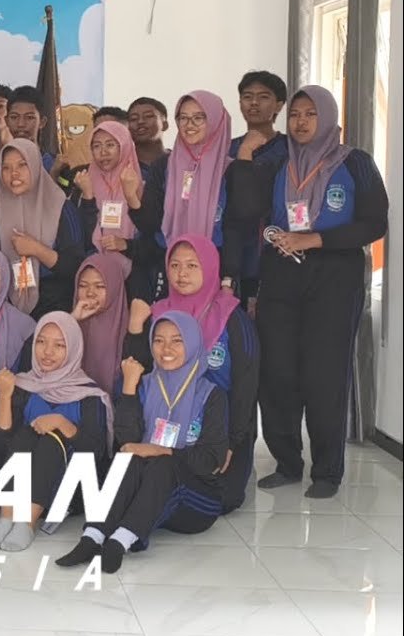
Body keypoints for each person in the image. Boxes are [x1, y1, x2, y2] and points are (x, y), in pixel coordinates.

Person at [247, 85, 388, 498]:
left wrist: (315, 239)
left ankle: (327, 471)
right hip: (281, 274)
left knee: (324, 375)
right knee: (278, 372)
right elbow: (252, 212)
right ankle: (287, 463)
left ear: (326, 118)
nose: (301, 121)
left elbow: (374, 223)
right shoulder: (278, 162)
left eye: (310, 114)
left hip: (334, 278)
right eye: (295, 114)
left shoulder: (355, 163)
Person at [57, 312, 228, 573]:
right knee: (131, 458)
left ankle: (119, 542)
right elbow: (127, 441)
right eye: (158, 341)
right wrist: (128, 387)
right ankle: (92, 536)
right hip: (148, 493)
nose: (166, 349)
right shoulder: (145, 384)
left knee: (163, 463)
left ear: (193, 343)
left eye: (177, 341)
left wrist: (160, 450)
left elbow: (211, 461)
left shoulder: (211, 395)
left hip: (196, 500)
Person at [125, 235, 258, 513]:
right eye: (174, 265)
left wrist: (232, 442)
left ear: (209, 267)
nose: (181, 274)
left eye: (192, 265)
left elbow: (246, 382)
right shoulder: (158, 313)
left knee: (224, 498)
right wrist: (136, 329)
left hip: (220, 427)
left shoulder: (231, 316)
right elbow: (139, 370)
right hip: (164, 419)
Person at [0, 312, 111, 552]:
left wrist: (63, 424)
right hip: (18, 483)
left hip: (65, 489)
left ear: (73, 349)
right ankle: (6, 518)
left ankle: (27, 523)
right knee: (26, 434)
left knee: (52, 441)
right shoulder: (23, 384)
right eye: (41, 342)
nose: (48, 352)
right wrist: (5, 397)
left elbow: (96, 451)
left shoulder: (89, 394)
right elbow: (0, 445)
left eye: (59, 345)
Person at [126, 91, 241, 297]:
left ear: (215, 120)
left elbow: (235, 229)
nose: (189, 124)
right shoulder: (164, 166)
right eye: (183, 118)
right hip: (168, 263)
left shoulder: (231, 170)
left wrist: (228, 278)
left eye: (199, 118)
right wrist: (132, 197)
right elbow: (151, 224)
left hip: (214, 266)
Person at [0, 138, 85, 318]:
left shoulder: (60, 206)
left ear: (35, 166)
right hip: (5, 306)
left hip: (55, 305)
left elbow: (76, 265)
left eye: (22, 165)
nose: (14, 173)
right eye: (6, 168)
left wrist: (37, 250)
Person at [230, 71, 289, 308]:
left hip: (278, 251)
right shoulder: (229, 149)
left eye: (263, 97)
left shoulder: (290, 149)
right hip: (234, 252)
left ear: (279, 105)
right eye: (247, 97)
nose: (254, 103)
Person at [74, 122, 147, 295]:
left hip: (134, 275)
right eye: (96, 146)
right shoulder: (84, 181)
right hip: (95, 275)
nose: (103, 152)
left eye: (110, 145)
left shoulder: (142, 184)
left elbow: (152, 238)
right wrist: (88, 196)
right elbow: (81, 237)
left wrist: (126, 245)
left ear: (124, 146)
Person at [72, 254, 130, 394]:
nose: (90, 293)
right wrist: (72, 320)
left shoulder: (131, 330)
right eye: (83, 286)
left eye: (99, 286)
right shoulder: (70, 324)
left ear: (115, 288)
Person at [6, 86, 56, 171]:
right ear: (6, 121)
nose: (21, 124)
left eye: (29, 117)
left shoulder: (53, 164)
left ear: (42, 122)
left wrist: (55, 173)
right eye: (14, 117)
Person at [127, 97, 169, 168]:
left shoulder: (181, 161)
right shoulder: (121, 166)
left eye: (148, 116)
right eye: (133, 119)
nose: (140, 121)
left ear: (165, 125)